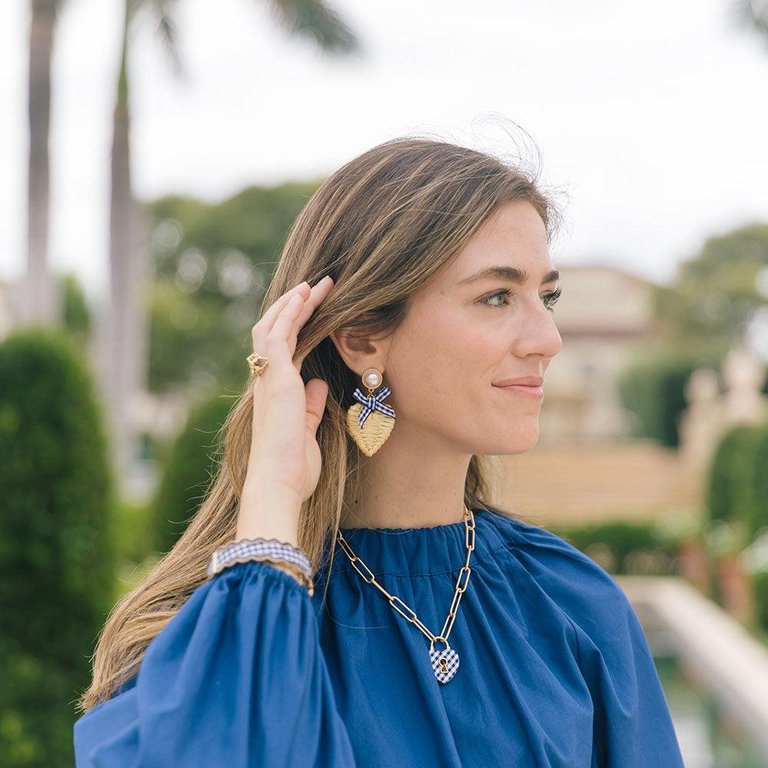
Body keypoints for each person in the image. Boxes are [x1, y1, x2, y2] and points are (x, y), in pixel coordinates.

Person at [74, 136, 685, 767]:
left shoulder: (574, 606)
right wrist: (272, 502)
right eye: (497, 297)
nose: (548, 338)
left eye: (545, 296)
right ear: (363, 337)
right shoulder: (212, 639)